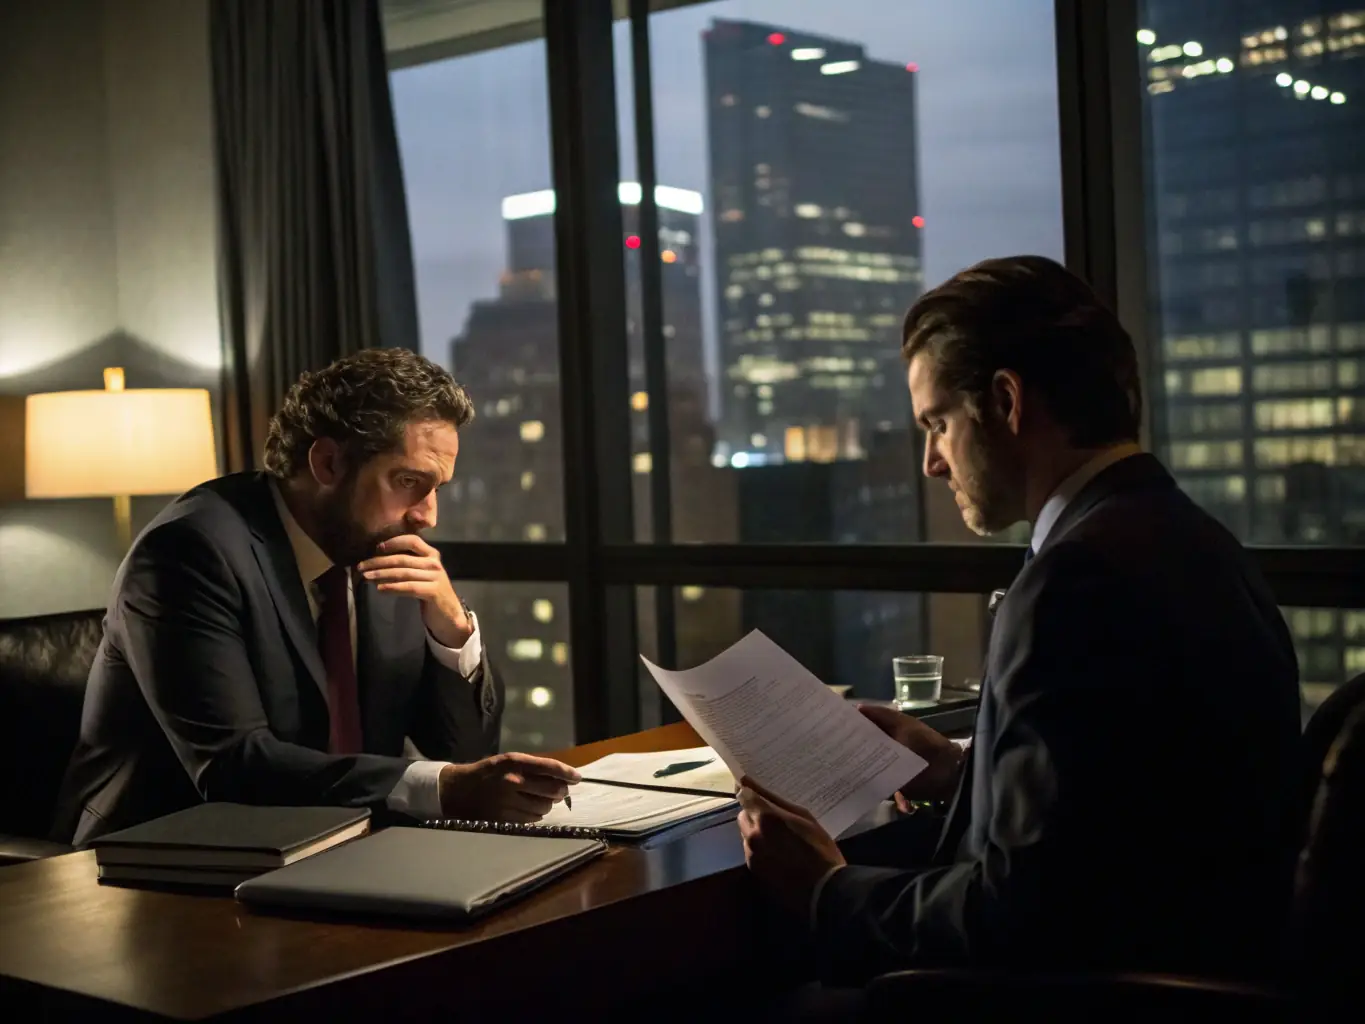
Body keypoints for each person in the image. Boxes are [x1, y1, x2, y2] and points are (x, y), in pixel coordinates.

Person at [736, 256, 1302, 992]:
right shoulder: (1194, 540)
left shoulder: (1074, 579)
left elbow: (1020, 911)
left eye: (936, 423)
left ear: (1004, 401)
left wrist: (826, 890)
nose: (930, 464)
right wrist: (959, 771)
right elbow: (1130, 802)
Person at [53, 348, 579, 845]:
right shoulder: (188, 553)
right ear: (327, 464)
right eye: (408, 480)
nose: (427, 516)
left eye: (437, 488)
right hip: (158, 871)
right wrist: (440, 789)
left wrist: (451, 629)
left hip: (343, 850)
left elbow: (465, 755)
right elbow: (234, 766)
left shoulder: (379, 549)